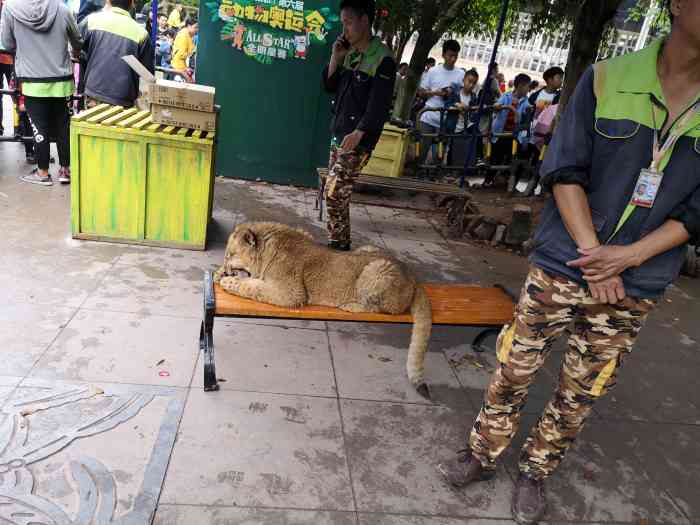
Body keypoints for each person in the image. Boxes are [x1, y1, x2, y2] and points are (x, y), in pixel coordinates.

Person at [437, 0, 700, 523]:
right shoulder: (607, 78)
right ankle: (483, 452)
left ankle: (537, 471)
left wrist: (626, 258)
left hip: (637, 279)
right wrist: (596, 256)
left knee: (581, 388)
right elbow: (564, 169)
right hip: (565, 263)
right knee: (516, 366)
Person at [321, 0, 395, 251]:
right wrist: (335, 57)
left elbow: (379, 106)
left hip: (359, 138)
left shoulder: (382, 59)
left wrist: (359, 132)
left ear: (364, 21)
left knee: (334, 192)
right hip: (339, 132)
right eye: (343, 24)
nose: (345, 30)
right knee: (335, 195)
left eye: (349, 23)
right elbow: (329, 86)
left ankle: (339, 247)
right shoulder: (349, 52)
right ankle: (337, 244)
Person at [1, 0, 82, 186]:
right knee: (63, 127)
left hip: (32, 81)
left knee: (39, 129)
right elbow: (77, 41)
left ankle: (43, 172)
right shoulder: (62, 9)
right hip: (62, 81)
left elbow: (7, 43)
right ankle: (65, 170)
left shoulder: (11, 9)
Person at [80, 0, 153, 108]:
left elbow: (75, 49)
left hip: (94, 93)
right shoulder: (141, 34)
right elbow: (147, 74)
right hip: (124, 101)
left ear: (108, 1)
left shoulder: (92, 21)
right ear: (132, 3)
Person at [416, 40, 465, 166]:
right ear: (443, 55)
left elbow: (463, 96)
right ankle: (417, 172)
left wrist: (452, 94)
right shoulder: (433, 71)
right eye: (450, 55)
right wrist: (435, 93)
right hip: (428, 117)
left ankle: (434, 176)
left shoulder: (461, 74)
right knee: (421, 150)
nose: (453, 59)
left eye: (455, 56)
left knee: (440, 154)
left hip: (447, 120)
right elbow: (421, 92)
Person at [0, 0, 13, 136]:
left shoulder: (8, 6)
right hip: (9, 56)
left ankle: (22, 129)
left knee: (18, 95)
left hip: (10, 56)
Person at [171, 18, 197, 82]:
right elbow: (181, 54)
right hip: (178, 68)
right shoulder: (183, 35)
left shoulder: (188, 35)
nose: (197, 30)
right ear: (188, 26)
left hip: (181, 67)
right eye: (195, 27)